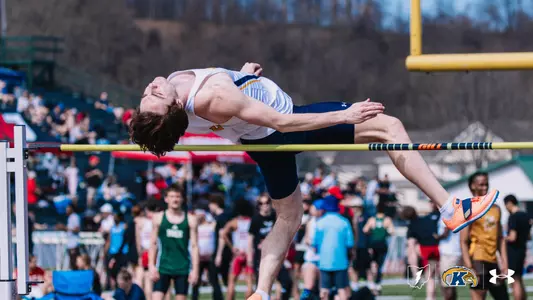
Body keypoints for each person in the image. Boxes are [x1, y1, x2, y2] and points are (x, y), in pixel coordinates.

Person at [129, 63, 500, 300]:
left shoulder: (187, 99)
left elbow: (225, 110)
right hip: (282, 129)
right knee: (388, 128)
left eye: (149, 94)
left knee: (289, 217)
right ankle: (450, 207)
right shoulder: (214, 97)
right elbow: (283, 123)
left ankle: (260, 293)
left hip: (258, 140)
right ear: (176, 109)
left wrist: (241, 76)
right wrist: (346, 113)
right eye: (156, 97)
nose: (152, 88)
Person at [460, 172, 509, 300]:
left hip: (493, 260)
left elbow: (500, 238)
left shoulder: (496, 209)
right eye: (481, 184)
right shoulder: (468, 208)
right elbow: (463, 241)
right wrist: (469, 267)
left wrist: (504, 262)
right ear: (472, 186)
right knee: (479, 296)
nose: (485, 187)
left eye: (486, 184)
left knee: (503, 297)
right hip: (477, 259)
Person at [149, 184, 199, 300]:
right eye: (172, 196)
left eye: (177, 196)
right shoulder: (158, 218)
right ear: (166, 199)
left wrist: (195, 269)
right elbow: (153, 244)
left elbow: (194, 246)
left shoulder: (191, 219)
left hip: (182, 267)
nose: (175, 199)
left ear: (182, 199)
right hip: (163, 266)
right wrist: (151, 265)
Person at [248, 194, 293, 300]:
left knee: (287, 282)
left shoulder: (275, 217)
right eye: (261, 203)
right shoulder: (255, 219)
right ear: (258, 205)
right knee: (262, 287)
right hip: (261, 257)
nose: (265, 205)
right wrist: (249, 257)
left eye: (267, 202)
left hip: (275, 255)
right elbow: (250, 239)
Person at [313, 196, 354, 300]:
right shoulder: (344, 222)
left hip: (324, 262)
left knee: (324, 290)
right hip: (340, 261)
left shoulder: (320, 223)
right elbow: (350, 243)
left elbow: (315, 244)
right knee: (342, 289)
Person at [215, 199, 254, 300]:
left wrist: (232, 247)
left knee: (231, 282)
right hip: (249, 253)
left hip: (238, 254)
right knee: (249, 282)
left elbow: (223, 233)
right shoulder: (252, 221)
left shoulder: (235, 222)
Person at [405, 204, 440, 300]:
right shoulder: (428, 219)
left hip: (426, 249)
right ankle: (431, 297)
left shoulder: (412, 225)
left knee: (411, 248)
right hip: (438, 248)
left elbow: (411, 244)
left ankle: (415, 273)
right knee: (432, 275)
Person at [363, 200, 394, 294]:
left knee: (373, 264)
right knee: (380, 265)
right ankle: (378, 284)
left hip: (373, 244)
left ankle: (372, 283)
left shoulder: (372, 219)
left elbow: (365, 230)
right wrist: (385, 233)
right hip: (382, 244)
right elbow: (392, 231)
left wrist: (371, 232)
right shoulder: (387, 219)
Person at [503, 194, 531, 300]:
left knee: (514, 280)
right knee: (519, 278)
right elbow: (528, 236)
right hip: (522, 249)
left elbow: (512, 237)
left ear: (509, 203)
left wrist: (501, 238)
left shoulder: (513, 217)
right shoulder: (526, 216)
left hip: (513, 251)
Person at [191, 209, 223, 300]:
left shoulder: (211, 225)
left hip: (210, 257)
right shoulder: (195, 227)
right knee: (195, 281)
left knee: (214, 281)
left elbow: (219, 229)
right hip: (198, 258)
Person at [300, 199, 324, 300]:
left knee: (321, 289)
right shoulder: (311, 221)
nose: (311, 210)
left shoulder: (324, 222)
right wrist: (311, 242)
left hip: (322, 259)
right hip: (311, 258)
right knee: (308, 288)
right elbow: (307, 238)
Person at [435, 211, 461, 300]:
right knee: (450, 283)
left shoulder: (448, 215)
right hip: (452, 253)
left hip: (449, 254)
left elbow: (445, 233)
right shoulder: (454, 214)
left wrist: (434, 237)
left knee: (447, 284)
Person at [208, 193, 233, 287]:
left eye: (210, 204)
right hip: (222, 251)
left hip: (222, 251)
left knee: (215, 277)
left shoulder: (221, 218)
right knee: (223, 277)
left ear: (215, 204)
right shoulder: (224, 216)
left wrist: (218, 255)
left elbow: (222, 236)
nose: (209, 207)